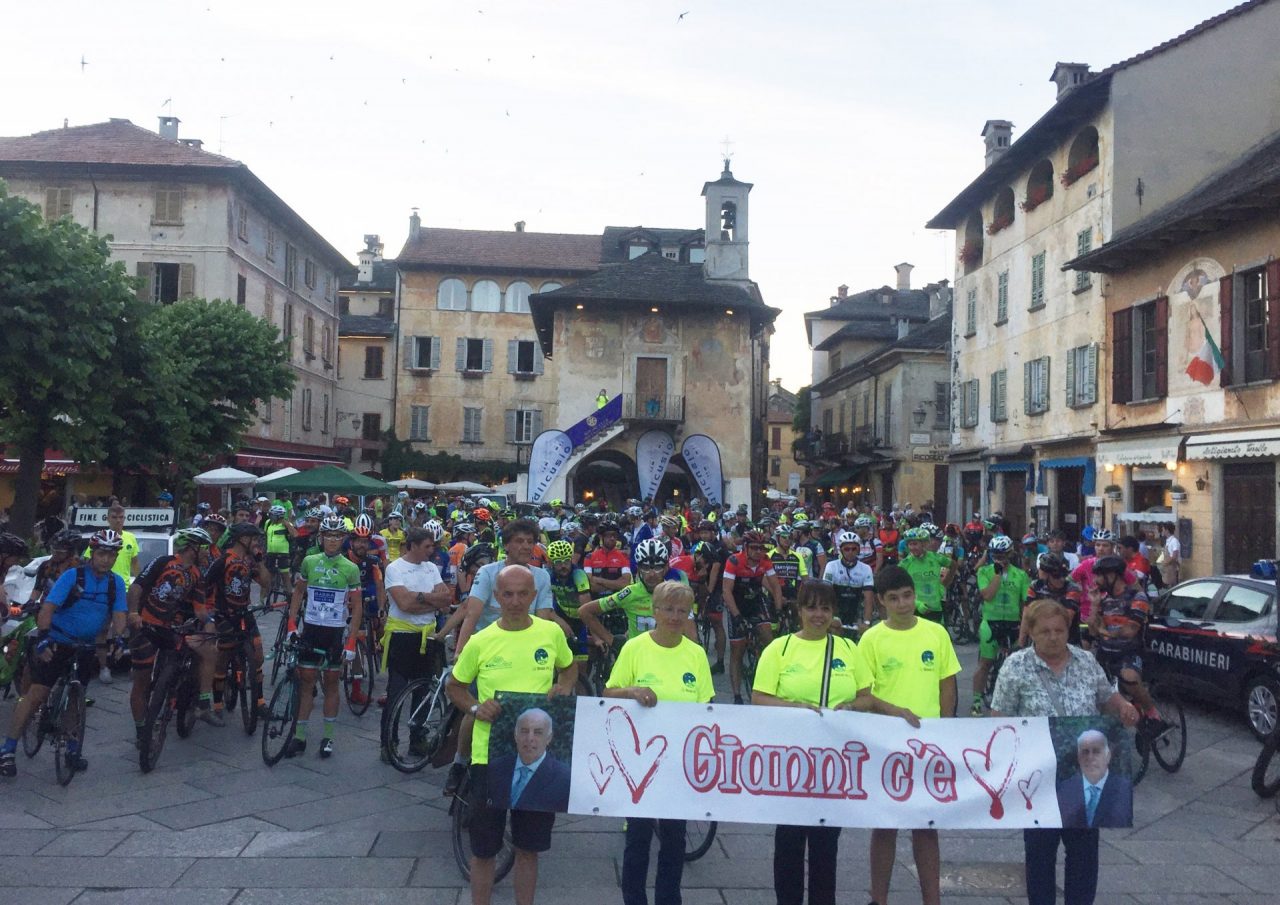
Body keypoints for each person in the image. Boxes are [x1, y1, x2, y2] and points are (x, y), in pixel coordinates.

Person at [753, 579, 919, 905]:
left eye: (825, 608)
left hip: (835, 763)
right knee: (788, 842)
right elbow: (759, 698)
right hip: (790, 762)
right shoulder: (779, 649)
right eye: (812, 607)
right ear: (799, 610)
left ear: (833, 612)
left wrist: (851, 707)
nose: (819, 614)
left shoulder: (847, 649)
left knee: (826, 845)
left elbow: (866, 697)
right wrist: (796, 708)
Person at [989, 598, 1139, 905]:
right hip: (1037, 776)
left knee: (1083, 851)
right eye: (1044, 631)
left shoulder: (1085, 661)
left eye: (1059, 630)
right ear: (1030, 632)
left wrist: (1123, 706)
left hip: (1083, 774)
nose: (1053, 636)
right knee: (1040, 853)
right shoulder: (1015, 667)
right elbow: (1000, 721)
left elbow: (1106, 695)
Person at [447, 566, 576, 905]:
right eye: (508, 594)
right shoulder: (481, 641)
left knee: (528, 849)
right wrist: (475, 708)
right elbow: (455, 687)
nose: (516, 601)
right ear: (497, 597)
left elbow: (568, 665)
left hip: (537, 760)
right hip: (490, 758)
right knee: (484, 850)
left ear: (534, 596)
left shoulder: (550, 633)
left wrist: (565, 686)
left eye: (523, 594)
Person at [856, 565, 960, 905]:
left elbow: (947, 683)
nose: (903, 604)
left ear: (915, 595)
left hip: (928, 741)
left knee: (926, 825)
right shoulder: (871, 639)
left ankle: (932, 898)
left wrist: (945, 726)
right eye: (894, 599)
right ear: (882, 602)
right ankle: (879, 898)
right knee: (884, 825)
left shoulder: (936, 634)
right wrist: (892, 712)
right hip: (885, 741)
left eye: (907, 596)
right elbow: (864, 694)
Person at [605, 581, 713, 905]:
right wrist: (632, 692)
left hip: (678, 760)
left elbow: (707, 705)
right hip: (639, 761)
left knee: (674, 838)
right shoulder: (635, 648)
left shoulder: (695, 654)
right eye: (668, 609)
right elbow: (609, 693)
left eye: (682, 610)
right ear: (655, 611)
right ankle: (634, 898)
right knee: (637, 838)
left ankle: (669, 897)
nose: (675, 616)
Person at [0, 530, 128, 778]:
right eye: (102, 553)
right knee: (36, 694)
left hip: (86, 646)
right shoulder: (72, 576)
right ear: (93, 553)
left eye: (111, 555)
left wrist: (120, 637)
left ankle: (71, 749)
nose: (106, 559)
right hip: (58, 640)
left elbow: (119, 613)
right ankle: (7, 750)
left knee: (76, 699)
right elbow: (48, 607)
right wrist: (45, 637)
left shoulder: (115, 583)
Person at [127, 527, 220, 741]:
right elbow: (136, 588)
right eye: (205, 547)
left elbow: (199, 610)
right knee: (141, 680)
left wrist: (212, 622)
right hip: (145, 624)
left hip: (169, 627)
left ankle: (174, 692)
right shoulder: (163, 562)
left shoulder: (197, 575)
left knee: (184, 656)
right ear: (192, 548)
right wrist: (133, 613)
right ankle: (142, 729)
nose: (208, 551)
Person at [285, 516, 363, 758]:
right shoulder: (310, 561)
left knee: (331, 683)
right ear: (321, 538)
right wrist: (291, 625)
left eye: (337, 536)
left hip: (334, 632)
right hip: (311, 629)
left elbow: (357, 607)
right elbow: (298, 594)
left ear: (343, 539)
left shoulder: (351, 568)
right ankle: (299, 737)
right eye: (328, 535)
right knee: (306, 681)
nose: (332, 540)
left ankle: (328, 737)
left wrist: (350, 642)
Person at [380, 526, 453, 759]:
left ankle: (417, 740)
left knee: (423, 690)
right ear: (412, 546)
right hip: (402, 635)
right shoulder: (395, 568)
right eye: (427, 547)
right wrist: (429, 599)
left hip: (428, 634)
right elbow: (404, 604)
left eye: (433, 547)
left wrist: (420, 597)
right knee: (396, 691)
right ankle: (388, 743)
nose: (431, 552)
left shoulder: (431, 568)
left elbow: (445, 601)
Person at [721, 529, 784, 705]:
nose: (759, 551)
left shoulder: (766, 561)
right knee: (737, 650)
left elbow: (776, 587)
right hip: (737, 602)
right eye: (754, 548)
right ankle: (737, 695)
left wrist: (778, 610)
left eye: (761, 548)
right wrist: (737, 616)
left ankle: (766, 673)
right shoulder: (734, 560)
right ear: (746, 547)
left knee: (769, 640)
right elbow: (726, 591)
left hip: (756, 602)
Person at [971, 534, 1029, 715]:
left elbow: (1024, 604)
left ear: (1010, 554)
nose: (999, 559)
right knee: (985, 663)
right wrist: (997, 573)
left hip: (1013, 623)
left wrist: (1025, 628)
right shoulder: (984, 572)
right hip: (991, 622)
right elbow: (987, 595)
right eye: (995, 555)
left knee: (1017, 665)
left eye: (1003, 555)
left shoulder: (1020, 575)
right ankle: (976, 702)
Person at [486, 707, 572, 812]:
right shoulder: (495, 768)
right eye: (524, 731)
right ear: (515, 735)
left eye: (538, 732)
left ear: (549, 738)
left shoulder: (565, 777)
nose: (529, 738)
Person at [821, 531, 875, 636]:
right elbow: (825, 595)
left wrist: (866, 622)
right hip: (836, 611)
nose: (850, 552)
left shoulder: (866, 569)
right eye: (846, 549)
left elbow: (868, 598)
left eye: (854, 549)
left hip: (855, 613)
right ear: (841, 549)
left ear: (858, 549)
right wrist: (830, 617)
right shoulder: (831, 566)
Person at [1158, 523, 1181, 588]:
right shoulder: (1168, 541)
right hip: (1167, 569)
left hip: (1172, 569)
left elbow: (1174, 556)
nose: (1162, 531)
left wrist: (1165, 563)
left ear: (1167, 530)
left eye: (1163, 529)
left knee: (1173, 588)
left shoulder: (1174, 541)